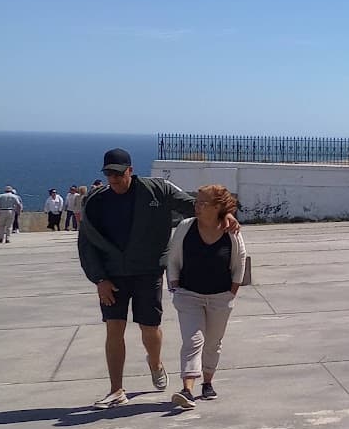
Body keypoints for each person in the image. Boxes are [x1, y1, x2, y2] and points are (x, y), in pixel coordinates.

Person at [77, 148, 240, 410]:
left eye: (118, 173)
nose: (114, 179)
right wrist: (99, 279)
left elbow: (193, 206)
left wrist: (225, 215)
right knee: (114, 327)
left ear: (130, 171)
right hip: (112, 275)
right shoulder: (96, 201)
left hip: (147, 271)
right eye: (109, 173)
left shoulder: (156, 191)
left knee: (149, 328)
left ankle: (155, 363)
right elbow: (86, 243)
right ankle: (116, 390)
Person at [166, 185, 247, 410]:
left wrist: (232, 291)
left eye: (203, 203)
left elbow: (240, 261)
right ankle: (187, 390)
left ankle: (207, 382)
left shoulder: (231, 232)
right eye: (196, 202)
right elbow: (173, 257)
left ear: (218, 207)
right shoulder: (185, 227)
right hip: (188, 295)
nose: (197, 206)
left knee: (213, 342)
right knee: (193, 340)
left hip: (221, 297)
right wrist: (174, 284)